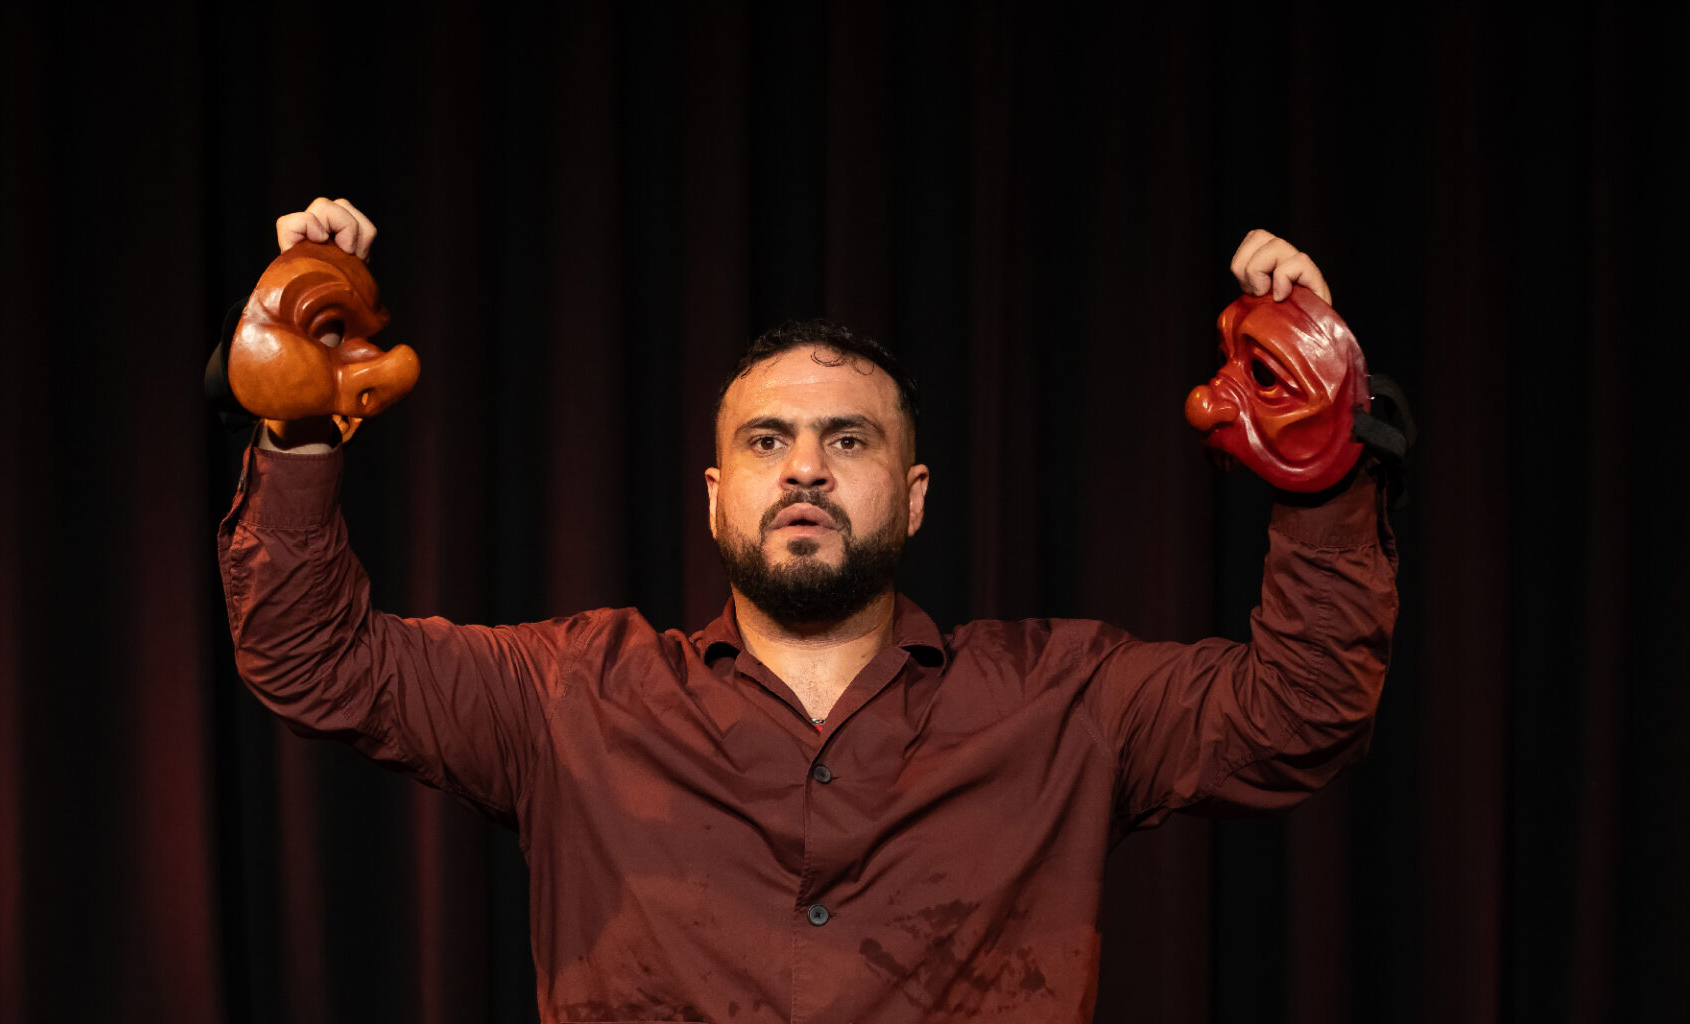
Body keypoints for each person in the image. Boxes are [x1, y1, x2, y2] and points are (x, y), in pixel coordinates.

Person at [218, 198, 1396, 1023]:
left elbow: (1300, 713)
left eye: (850, 439)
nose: (807, 468)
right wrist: (301, 424)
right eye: (767, 440)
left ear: (916, 494)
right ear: (719, 497)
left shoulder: (1064, 699)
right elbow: (311, 659)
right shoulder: (569, 695)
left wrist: (1325, 458)